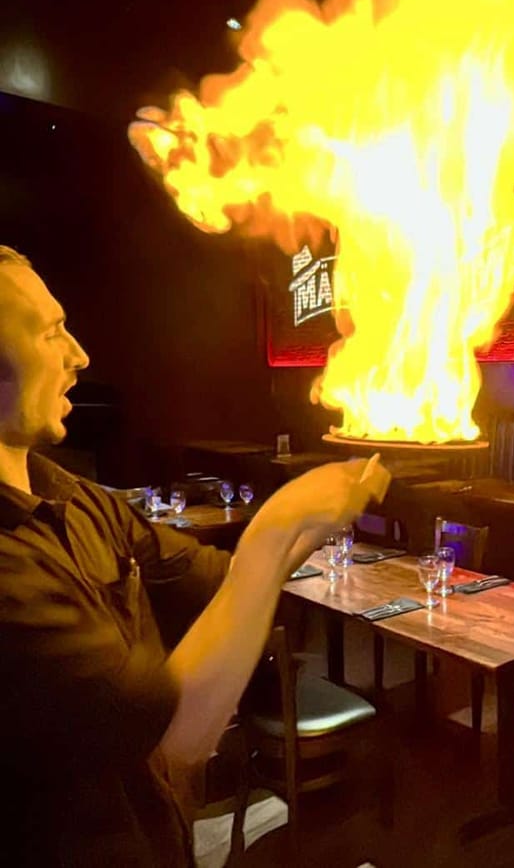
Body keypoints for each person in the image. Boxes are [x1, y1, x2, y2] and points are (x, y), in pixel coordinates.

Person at [0, 245, 391, 865]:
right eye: (51, 333)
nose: (80, 355)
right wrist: (277, 525)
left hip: (161, 839)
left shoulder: (73, 496)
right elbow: (176, 734)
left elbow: (217, 579)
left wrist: (309, 523)